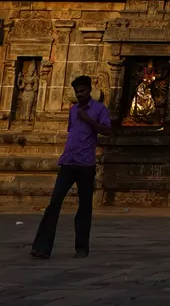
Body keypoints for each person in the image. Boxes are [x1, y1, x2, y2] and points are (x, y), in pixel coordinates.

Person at [30, 75, 112, 260]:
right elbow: (72, 132)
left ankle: (81, 248)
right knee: (54, 203)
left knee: (84, 208)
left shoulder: (99, 109)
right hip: (68, 161)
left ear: (90, 90)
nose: (80, 95)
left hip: (86, 163)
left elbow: (107, 130)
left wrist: (89, 120)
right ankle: (42, 247)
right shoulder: (73, 110)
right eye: (77, 92)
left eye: (83, 91)